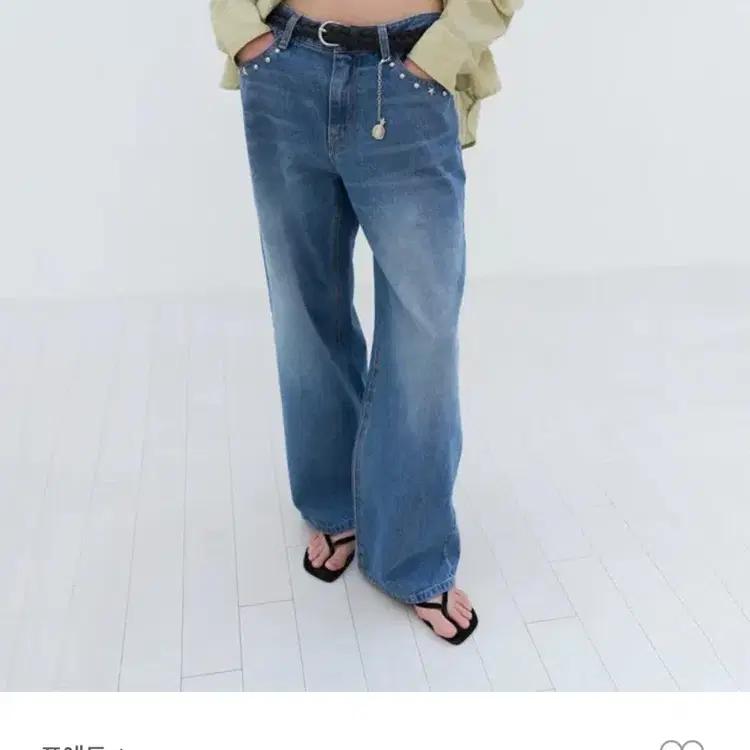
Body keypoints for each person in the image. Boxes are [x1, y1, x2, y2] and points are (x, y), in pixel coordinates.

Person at [209, 0, 521, 645]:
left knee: (423, 332)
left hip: (409, 76)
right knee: (303, 307)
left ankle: (411, 548)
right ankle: (333, 504)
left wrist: (437, 56)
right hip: (283, 66)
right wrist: (245, 37)